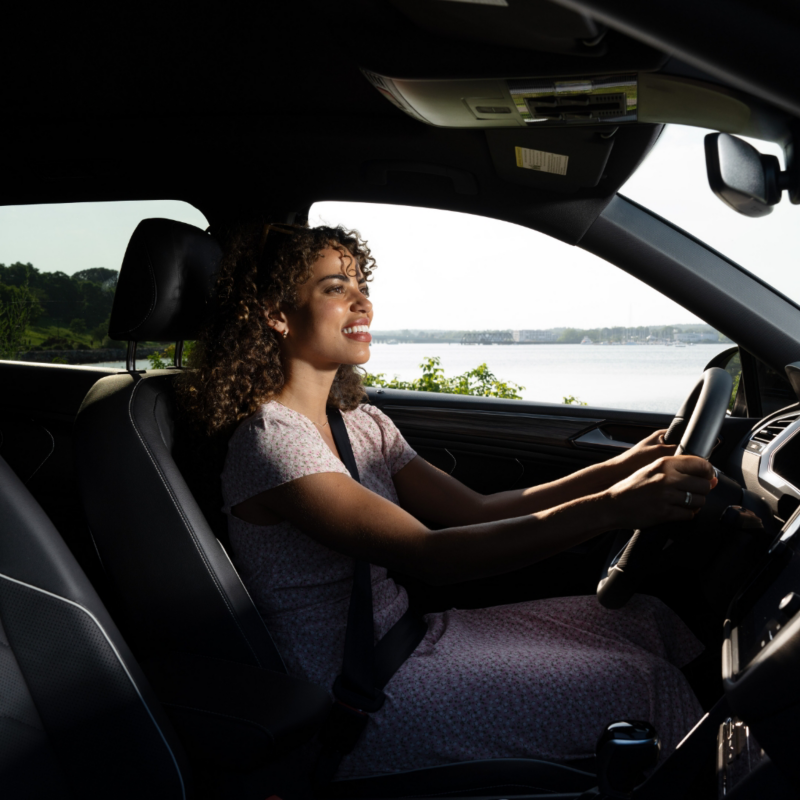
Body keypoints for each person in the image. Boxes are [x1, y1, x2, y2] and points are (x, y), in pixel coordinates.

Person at [179, 222, 717, 778]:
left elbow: (476, 511)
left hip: (412, 638)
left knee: (644, 618)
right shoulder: (271, 440)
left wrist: (618, 469)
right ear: (276, 314)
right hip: (360, 689)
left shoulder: (362, 422)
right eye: (335, 288)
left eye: (361, 284)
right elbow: (432, 553)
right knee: (645, 686)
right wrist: (614, 505)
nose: (362, 300)